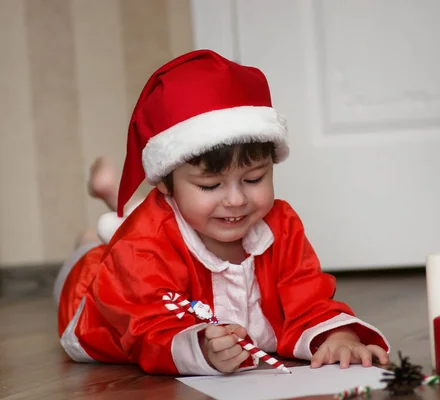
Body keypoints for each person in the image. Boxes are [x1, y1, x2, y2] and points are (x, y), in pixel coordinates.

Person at [53, 49, 390, 376]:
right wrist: (200, 348)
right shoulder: (141, 246)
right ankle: (89, 240)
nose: (235, 200)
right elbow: (146, 327)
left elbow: (308, 298)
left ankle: (114, 205)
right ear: (166, 184)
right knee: (99, 254)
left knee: (134, 230)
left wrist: (337, 336)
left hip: (143, 240)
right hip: (91, 295)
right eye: (211, 185)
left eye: (254, 179)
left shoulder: (281, 225)